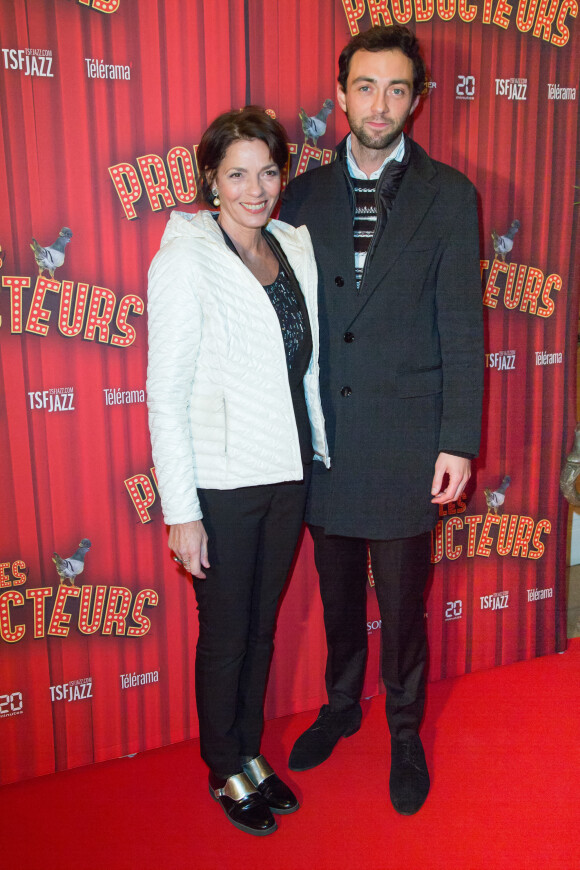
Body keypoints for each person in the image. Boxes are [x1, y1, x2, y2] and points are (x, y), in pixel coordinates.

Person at [280, 25, 484, 816]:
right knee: (337, 599)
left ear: (418, 99)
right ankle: (341, 706)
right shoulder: (298, 194)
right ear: (341, 94)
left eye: (398, 88)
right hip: (325, 441)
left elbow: (463, 330)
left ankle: (404, 732)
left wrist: (457, 442)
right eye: (365, 86)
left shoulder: (451, 195)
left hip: (406, 441)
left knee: (401, 609)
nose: (380, 103)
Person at [147, 106, 329, 836]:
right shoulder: (186, 257)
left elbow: (303, 365)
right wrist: (182, 511)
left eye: (268, 171)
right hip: (221, 486)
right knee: (226, 633)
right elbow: (165, 390)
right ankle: (225, 765)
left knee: (260, 631)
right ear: (210, 181)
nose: (256, 189)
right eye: (237, 174)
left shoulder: (289, 246)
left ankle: (249, 753)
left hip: (286, 475)